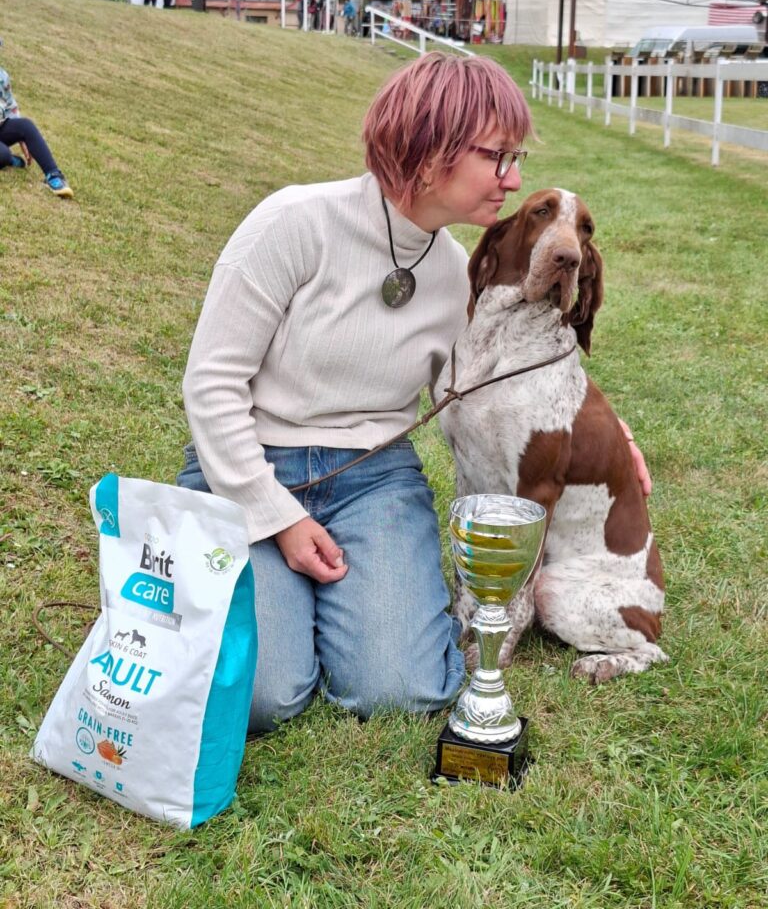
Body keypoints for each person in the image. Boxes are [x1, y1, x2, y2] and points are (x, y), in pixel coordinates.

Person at [177, 53, 650, 735]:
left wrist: (617, 434)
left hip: (370, 481)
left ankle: (315, 604)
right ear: (430, 151)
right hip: (249, 466)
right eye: (499, 157)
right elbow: (211, 383)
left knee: (400, 689)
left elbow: (504, 372)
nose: (513, 179)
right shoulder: (293, 223)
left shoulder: (461, 273)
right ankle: (285, 598)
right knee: (264, 697)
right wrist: (277, 518)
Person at [0, 40, 73, 198]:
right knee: (3, 154)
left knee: (26, 125)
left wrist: (21, 139)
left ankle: (53, 176)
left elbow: (10, 106)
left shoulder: (2, 77)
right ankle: (9, 159)